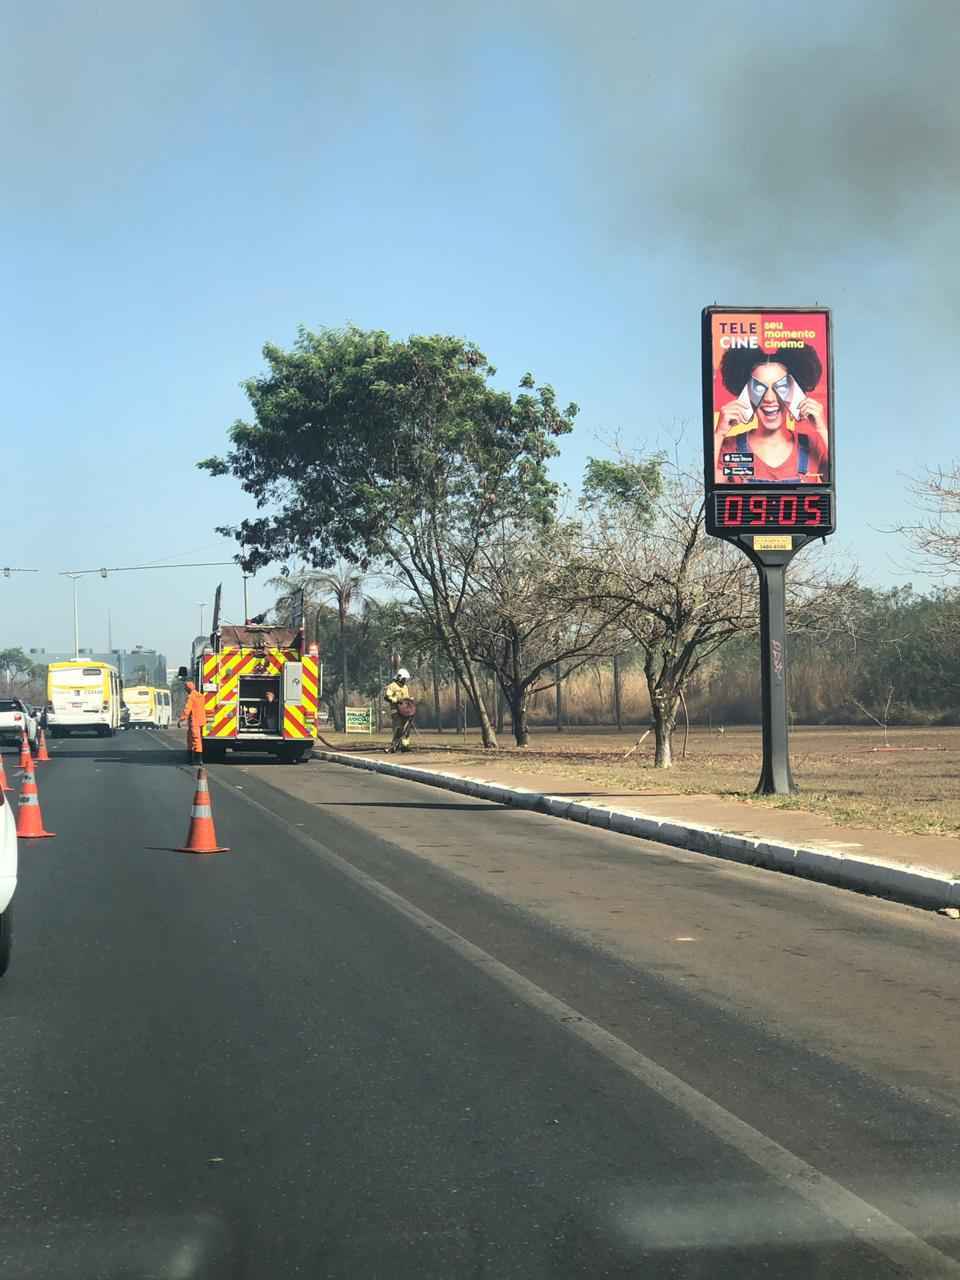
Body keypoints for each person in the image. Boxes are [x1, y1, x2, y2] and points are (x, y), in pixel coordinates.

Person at [714, 344, 829, 485]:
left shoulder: (815, 445)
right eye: (758, 388)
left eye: (780, 387)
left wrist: (822, 429)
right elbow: (712, 490)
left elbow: (839, 482)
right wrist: (719, 433)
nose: (769, 398)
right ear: (746, 393)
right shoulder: (729, 447)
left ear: (795, 392)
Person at [384, 667, 414, 753]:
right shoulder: (392, 686)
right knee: (399, 729)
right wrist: (397, 700)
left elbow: (406, 698)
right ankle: (393, 747)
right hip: (396, 711)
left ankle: (405, 746)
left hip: (405, 711)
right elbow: (387, 697)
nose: (405, 681)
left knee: (407, 729)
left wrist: (410, 702)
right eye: (404, 679)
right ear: (400, 677)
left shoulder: (405, 687)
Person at [178, 680, 207, 765]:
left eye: (185, 688)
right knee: (192, 739)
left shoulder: (191, 697)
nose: (185, 690)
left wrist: (181, 719)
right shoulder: (200, 695)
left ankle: (197, 760)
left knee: (195, 739)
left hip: (194, 721)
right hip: (201, 720)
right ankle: (193, 758)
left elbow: (187, 709)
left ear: (188, 688)